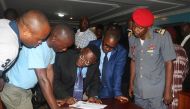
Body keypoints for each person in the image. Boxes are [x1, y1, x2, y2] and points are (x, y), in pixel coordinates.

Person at [0, 24, 74, 109]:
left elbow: (49, 72)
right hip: (14, 89)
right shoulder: (37, 46)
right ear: (54, 39)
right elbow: (42, 79)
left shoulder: (52, 50)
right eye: (64, 46)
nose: (65, 49)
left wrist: (52, 99)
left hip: (25, 90)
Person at [128, 8, 176, 109]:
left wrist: (167, 90)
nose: (136, 30)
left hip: (156, 90)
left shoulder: (162, 36)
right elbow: (133, 60)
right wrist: (131, 83)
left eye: (140, 28)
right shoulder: (131, 37)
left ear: (148, 27)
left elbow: (169, 63)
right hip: (138, 89)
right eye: (134, 26)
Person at [0, 10, 50, 75]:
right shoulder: (10, 49)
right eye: (39, 39)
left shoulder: (4, 22)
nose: (40, 42)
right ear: (26, 32)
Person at [90, 25, 128, 103]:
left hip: (108, 88)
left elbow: (118, 73)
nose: (107, 49)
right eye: (105, 45)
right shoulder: (93, 45)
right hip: (92, 85)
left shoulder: (121, 52)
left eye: (111, 47)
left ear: (116, 44)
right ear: (103, 38)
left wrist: (117, 93)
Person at [166, 27, 189, 109]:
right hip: (179, 95)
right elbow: (186, 72)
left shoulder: (162, 50)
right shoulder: (182, 50)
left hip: (165, 96)